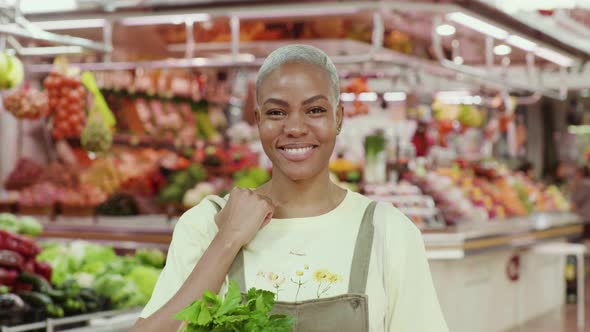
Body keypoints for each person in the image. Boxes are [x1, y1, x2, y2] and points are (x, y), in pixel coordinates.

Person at [132, 45, 448, 332]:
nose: (295, 128)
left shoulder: (388, 231)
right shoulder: (208, 223)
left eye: (315, 110)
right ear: (257, 120)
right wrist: (227, 240)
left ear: (338, 118)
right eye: (276, 112)